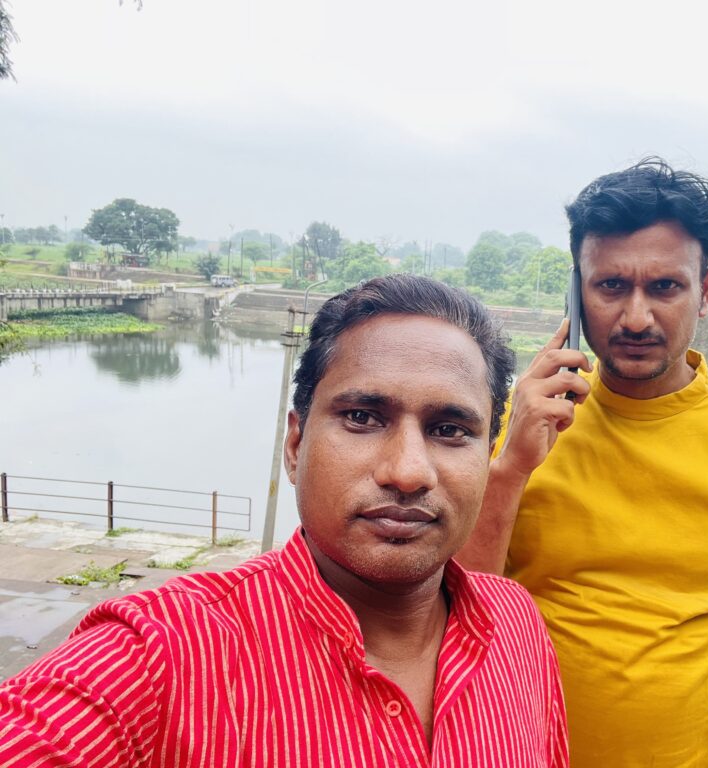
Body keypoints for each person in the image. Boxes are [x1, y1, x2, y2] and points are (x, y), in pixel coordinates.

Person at [0, 275, 569, 767]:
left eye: (450, 430)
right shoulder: (161, 657)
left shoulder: (518, 627)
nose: (408, 472)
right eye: (363, 417)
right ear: (295, 444)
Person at [460, 158, 708, 768]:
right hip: (523, 749)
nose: (636, 318)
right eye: (610, 286)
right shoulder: (516, 427)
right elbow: (454, 602)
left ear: (707, 290)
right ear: (577, 293)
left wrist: (703, 674)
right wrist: (509, 469)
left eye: (665, 287)